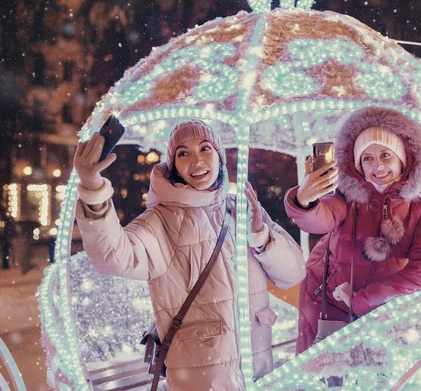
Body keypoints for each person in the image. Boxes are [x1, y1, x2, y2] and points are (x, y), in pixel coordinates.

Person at [74, 120, 306, 390]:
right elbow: (112, 256)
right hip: (200, 378)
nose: (196, 159)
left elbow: (294, 274)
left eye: (205, 148)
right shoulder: (162, 219)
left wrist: (263, 239)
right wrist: (93, 189)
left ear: (218, 156)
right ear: (174, 166)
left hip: (255, 371)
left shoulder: (240, 209)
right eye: (183, 153)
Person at [285, 107, 421, 354]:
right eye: (367, 158)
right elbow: (322, 219)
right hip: (331, 302)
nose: (377, 166)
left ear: (402, 157)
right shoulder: (348, 195)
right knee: (326, 377)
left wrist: (362, 299)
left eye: (385, 155)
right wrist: (305, 201)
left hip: (388, 310)